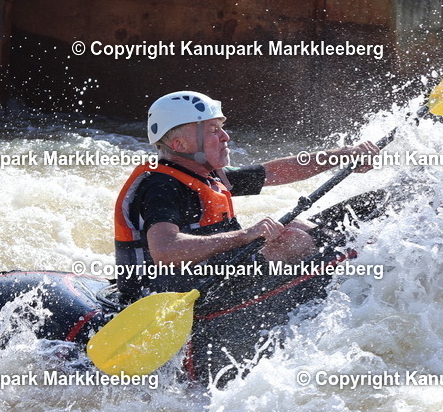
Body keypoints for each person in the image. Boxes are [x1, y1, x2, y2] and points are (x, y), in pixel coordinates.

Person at [114, 90, 379, 302]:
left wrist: (344, 154)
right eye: (213, 131)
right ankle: (344, 282)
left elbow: (277, 171)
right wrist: (246, 235)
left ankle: (356, 258)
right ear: (179, 145)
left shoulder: (208, 174)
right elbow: (165, 251)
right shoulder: (161, 186)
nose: (225, 137)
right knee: (293, 240)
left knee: (295, 227)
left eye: (221, 128)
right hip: (160, 294)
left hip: (204, 276)